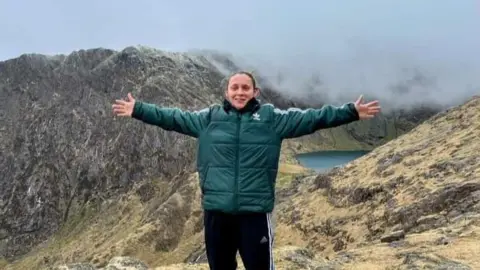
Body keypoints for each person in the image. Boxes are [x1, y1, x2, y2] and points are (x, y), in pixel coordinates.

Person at [112, 71, 381, 270]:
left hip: (254, 215)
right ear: (227, 92)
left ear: (255, 92)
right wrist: (138, 109)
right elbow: (171, 118)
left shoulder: (271, 119)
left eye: (245, 88)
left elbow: (313, 118)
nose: (240, 92)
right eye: (234, 88)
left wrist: (350, 112)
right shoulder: (208, 119)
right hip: (217, 214)